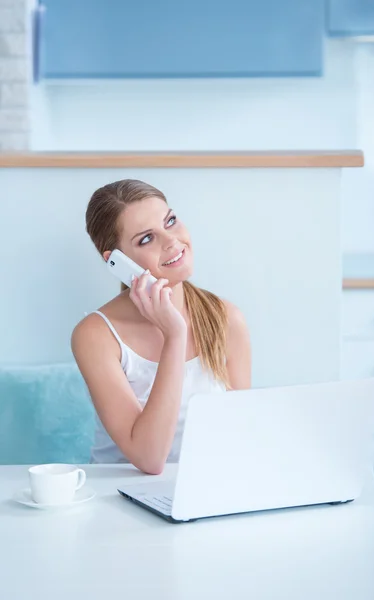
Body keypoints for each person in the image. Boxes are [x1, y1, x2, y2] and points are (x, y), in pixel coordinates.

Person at [71, 179, 251, 474]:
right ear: (116, 261)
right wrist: (175, 334)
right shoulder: (95, 335)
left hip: (203, 488)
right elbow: (150, 458)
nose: (171, 241)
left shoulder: (227, 319)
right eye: (146, 238)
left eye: (170, 221)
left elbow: (238, 436)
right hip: (115, 497)